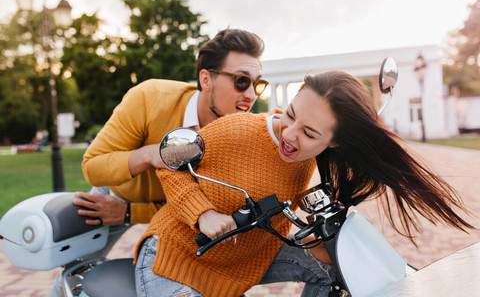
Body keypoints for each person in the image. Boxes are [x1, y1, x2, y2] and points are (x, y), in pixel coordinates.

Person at [134, 71, 473, 297]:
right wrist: (202, 213)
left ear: (334, 142)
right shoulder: (237, 130)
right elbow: (171, 163)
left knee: (339, 271)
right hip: (174, 255)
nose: (290, 134)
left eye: (310, 133)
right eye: (291, 114)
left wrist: (319, 241)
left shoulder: (308, 159)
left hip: (245, 255)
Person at [46, 28, 268, 297]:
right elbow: (93, 166)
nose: (251, 95)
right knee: (75, 270)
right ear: (206, 79)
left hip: (176, 213)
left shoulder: (241, 134)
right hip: (118, 190)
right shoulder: (150, 97)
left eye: (258, 84)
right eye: (242, 81)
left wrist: (129, 213)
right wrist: (152, 154)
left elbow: (205, 208)